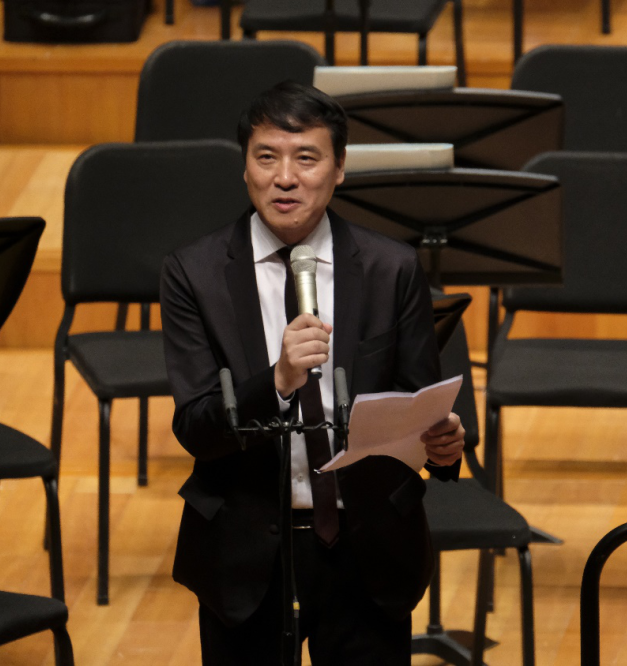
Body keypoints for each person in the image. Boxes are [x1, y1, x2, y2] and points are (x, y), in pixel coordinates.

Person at [160, 80, 465, 665]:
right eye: (266, 157)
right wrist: (276, 381)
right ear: (244, 167)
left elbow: (420, 405)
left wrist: (443, 444)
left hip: (368, 550)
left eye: (306, 158)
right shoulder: (193, 273)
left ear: (339, 168)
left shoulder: (392, 267)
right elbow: (196, 427)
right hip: (246, 552)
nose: (285, 178)